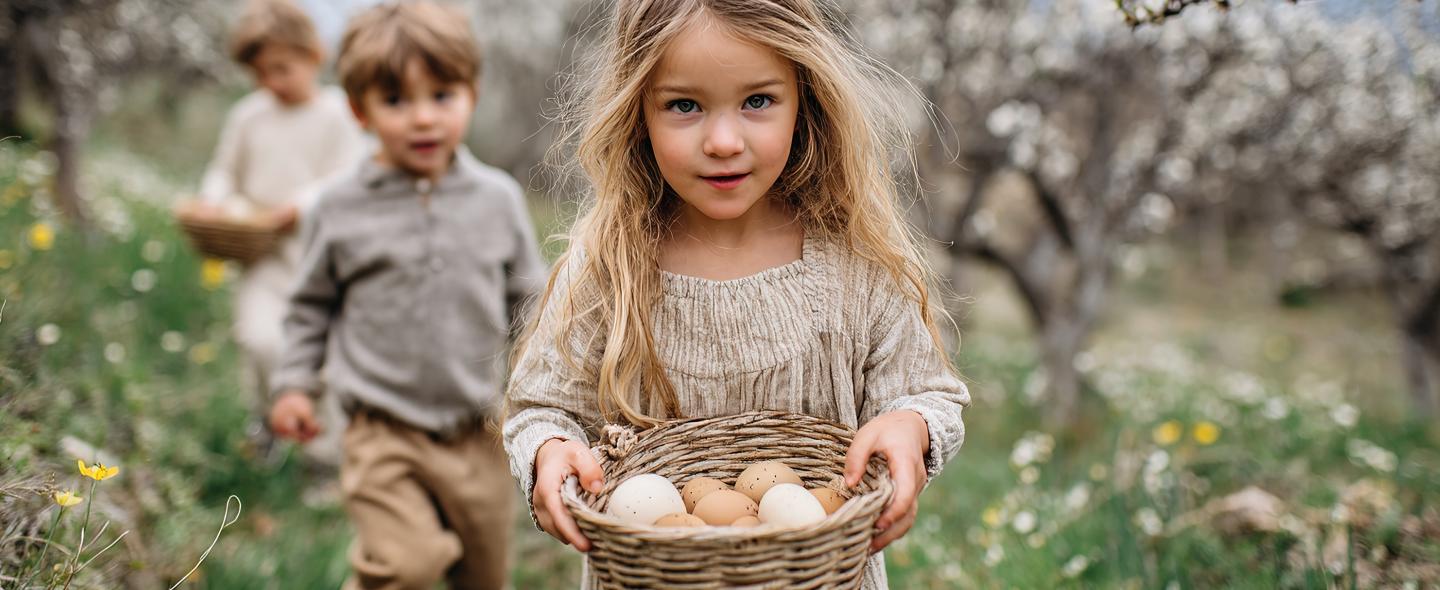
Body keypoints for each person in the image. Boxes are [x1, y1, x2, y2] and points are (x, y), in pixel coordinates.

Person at [502, 0, 971, 587]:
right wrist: (549, 451)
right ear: (637, 112)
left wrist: (910, 427)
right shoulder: (608, 272)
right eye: (684, 105)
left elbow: (929, 394)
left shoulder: (856, 270)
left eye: (757, 101)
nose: (723, 141)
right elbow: (540, 409)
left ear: (805, 100)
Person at [266, 2, 548, 588]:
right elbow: (310, 305)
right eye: (396, 101)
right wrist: (295, 384)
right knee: (410, 566)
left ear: (470, 93)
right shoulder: (340, 208)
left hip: (477, 431)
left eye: (442, 95)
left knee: (485, 576)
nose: (423, 119)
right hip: (381, 430)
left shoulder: (497, 200)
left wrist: (544, 386)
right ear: (358, 109)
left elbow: (530, 301)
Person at [198, 0, 364, 464]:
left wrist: (302, 205)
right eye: (261, 73)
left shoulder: (338, 115)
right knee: (260, 340)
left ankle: (324, 457)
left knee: (325, 358)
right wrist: (216, 201)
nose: (271, 82)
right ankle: (269, 422)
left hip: (320, 258)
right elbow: (223, 171)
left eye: (282, 69)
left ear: (313, 55)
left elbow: (348, 180)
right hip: (261, 256)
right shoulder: (249, 116)